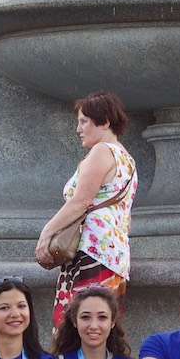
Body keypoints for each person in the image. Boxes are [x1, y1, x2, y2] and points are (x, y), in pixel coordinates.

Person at [36, 92, 138, 328]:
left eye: (84, 122)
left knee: (73, 327)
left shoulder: (102, 151)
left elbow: (80, 201)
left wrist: (46, 234)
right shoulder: (127, 159)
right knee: (101, 327)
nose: (78, 129)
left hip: (90, 251)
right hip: (114, 256)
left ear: (105, 122)